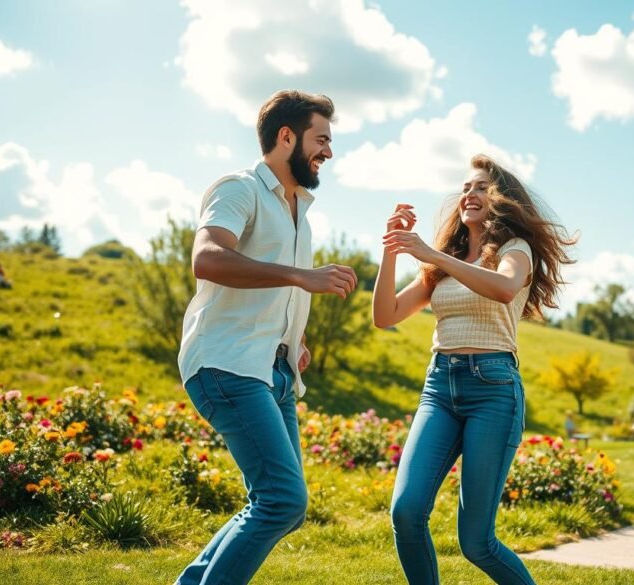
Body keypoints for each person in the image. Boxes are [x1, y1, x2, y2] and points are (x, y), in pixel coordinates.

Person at [175, 90, 358, 585]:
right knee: (281, 499)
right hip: (226, 361)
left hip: (272, 369)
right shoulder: (240, 189)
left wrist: (292, 338)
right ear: (286, 136)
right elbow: (208, 259)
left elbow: (274, 292)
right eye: (321, 139)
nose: (328, 152)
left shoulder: (300, 210)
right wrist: (303, 278)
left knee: (284, 505)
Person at [373, 154, 576, 584]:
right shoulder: (443, 261)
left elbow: (504, 288)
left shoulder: (513, 250)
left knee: (476, 542)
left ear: (501, 198)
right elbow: (386, 315)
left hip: (493, 390)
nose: (469, 193)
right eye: (466, 187)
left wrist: (429, 253)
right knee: (406, 512)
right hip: (439, 388)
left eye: (481, 186)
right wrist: (392, 249)